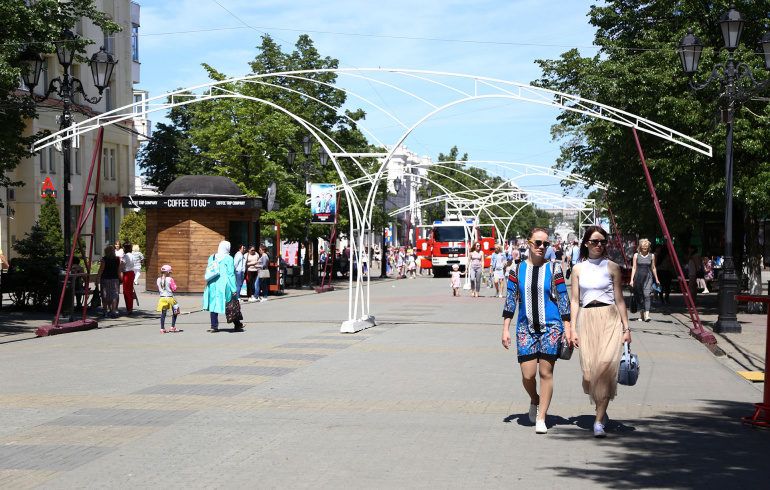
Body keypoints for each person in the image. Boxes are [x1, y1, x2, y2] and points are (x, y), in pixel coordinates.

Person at [502, 227, 571, 434]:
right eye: (538, 243)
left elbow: (563, 299)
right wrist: (505, 328)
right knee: (528, 375)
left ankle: (542, 417)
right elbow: (511, 299)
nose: (542, 247)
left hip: (551, 327)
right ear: (529, 243)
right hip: (525, 328)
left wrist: (568, 328)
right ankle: (535, 400)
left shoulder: (555, 269)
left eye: (546, 244)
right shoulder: (516, 270)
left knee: (545, 372)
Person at [568, 225, 631, 438]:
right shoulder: (578, 269)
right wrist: (572, 329)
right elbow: (574, 301)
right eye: (594, 241)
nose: (599, 245)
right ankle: (601, 408)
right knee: (588, 375)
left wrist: (626, 328)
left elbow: (620, 300)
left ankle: (598, 421)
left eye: (602, 241)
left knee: (604, 370)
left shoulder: (612, 267)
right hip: (587, 319)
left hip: (610, 318)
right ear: (586, 243)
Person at [203, 241, 243, 332]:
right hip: (225, 285)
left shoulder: (212, 257)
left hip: (212, 284)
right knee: (231, 304)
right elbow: (231, 274)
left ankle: (214, 326)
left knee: (213, 305)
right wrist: (234, 288)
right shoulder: (228, 258)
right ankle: (237, 324)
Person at [630, 239, 659, 322]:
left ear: (649, 247)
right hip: (638, 277)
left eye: (646, 246)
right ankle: (641, 315)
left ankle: (647, 314)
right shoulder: (636, 255)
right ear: (640, 247)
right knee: (640, 295)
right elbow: (634, 268)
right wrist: (631, 279)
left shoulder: (652, 256)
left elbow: (653, 267)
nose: (645, 247)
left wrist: (656, 278)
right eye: (643, 246)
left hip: (648, 277)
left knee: (647, 294)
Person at [96, 245, 121, 318]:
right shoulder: (117, 259)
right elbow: (119, 271)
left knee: (105, 295)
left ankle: (105, 312)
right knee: (114, 295)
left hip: (105, 278)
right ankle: (113, 311)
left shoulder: (104, 259)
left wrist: (97, 278)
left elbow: (101, 269)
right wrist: (120, 278)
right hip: (114, 279)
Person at [156, 265, 179, 333]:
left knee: (163, 314)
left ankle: (162, 328)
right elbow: (174, 288)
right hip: (170, 298)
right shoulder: (170, 279)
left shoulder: (158, 279)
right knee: (176, 311)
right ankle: (172, 326)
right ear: (168, 272)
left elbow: (158, 288)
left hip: (162, 298)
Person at [120, 242, 135, 316]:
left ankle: (128, 308)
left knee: (126, 292)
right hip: (131, 272)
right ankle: (130, 308)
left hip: (127, 273)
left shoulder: (125, 256)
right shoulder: (132, 255)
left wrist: (119, 270)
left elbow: (122, 265)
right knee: (130, 291)